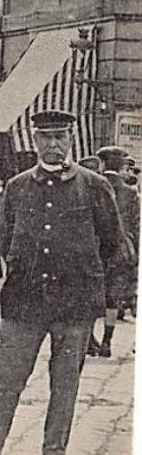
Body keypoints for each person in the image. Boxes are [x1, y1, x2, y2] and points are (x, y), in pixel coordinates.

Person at [0, 110, 123, 455]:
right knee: (5, 378)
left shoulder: (94, 185)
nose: (53, 145)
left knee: (65, 385)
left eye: (60, 137)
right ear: (35, 141)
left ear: (71, 140)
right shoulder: (17, 187)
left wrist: (84, 275)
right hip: (24, 302)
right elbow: (4, 241)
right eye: (46, 138)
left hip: (74, 306)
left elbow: (114, 244)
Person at [91, 145, 139, 358]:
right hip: (120, 249)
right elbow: (136, 226)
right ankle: (107, 342)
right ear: (121, 166)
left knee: (91, 294)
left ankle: (89, 341)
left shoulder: (93, 185)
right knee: (112, 297)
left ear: (101, 164)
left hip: (95, 248)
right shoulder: (131, 192)